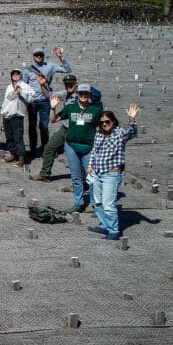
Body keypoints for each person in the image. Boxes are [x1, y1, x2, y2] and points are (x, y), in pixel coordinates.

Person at [31, 75, 103, 182]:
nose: (69, 86)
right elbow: (49, 96)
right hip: (65, 129)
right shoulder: (65, 93)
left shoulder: (84, 95)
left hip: (82, 131)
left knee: (80, 157)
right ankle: (45, 174)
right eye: (67, 84)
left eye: (71, 83)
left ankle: (82, 182)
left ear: (76, 84)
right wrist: (42, 85)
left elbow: (97, 98)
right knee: (49, 148)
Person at [86, 104, 140, 240]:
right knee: (97, 202)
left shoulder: (119, 134)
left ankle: (114, 230)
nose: (105, 124)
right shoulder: (99, 134)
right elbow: (94, 151)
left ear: (113, 122)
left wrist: (132, 119)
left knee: (108, 204)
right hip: (97, 173)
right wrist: (90, 166)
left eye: (107, 122)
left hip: (111, 174)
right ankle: (104, 225)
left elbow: (131, 132)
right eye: (102, 122)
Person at [50, 85, 103, 213]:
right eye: (81, 94)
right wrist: (52, 107)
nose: (84, 96)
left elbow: (100, 128)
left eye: (86, 94)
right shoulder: (70, 107)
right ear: (77, 94)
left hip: (89, 148)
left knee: (92, 178)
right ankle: (78, 203)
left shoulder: (95, 110)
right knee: (76, 177)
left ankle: (96, 206)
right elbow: (53, 120)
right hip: (71, 146)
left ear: (90, 95)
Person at [21, 46, 72, 159]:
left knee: (44, 126)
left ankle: (45, 150)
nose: (39, 56)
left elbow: (68, 70)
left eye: (41, 54)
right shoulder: (27, 70)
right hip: (32, 101)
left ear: (43, 56)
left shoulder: (50, 66)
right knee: (32, 126)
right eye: (36, 55)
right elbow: (24, 85)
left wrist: (61, 57)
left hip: (45, 99)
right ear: (33, 56)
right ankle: (33, 150)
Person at [0, 69, 35, 167]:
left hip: (17, 115)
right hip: (7, 114)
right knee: (9, 137)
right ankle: (13, 154)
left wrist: (21, 92)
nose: (15, 75)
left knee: (18, 137)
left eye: (17, 73)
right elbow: (7, 99)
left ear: (20, 75)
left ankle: (21, 157)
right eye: (13, 74)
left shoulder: (25, 86)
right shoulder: (8, 86)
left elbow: (31, 99)